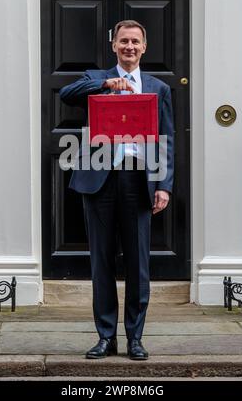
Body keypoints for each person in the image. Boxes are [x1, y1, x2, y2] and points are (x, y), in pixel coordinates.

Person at [59, 20, 174, 360]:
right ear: (114, 46)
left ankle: (135, 338)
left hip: (139, 181)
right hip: (100, 180)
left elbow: (167, 140)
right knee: (102, 263)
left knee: (138, 265)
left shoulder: (157, 87)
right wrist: (106, 83)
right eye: (123, 41)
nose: (129, 47)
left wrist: (164, 185)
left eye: (135, 42)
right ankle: (105, 337)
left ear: (144, 46)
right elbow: (66, 95)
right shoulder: (94, 79)